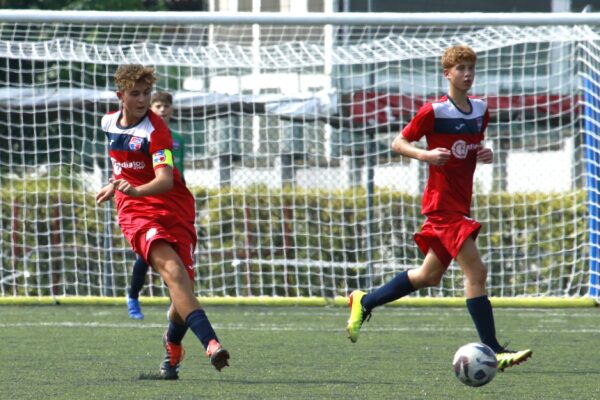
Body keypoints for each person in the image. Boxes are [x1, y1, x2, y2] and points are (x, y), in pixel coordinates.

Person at [346, 45, 532, 371]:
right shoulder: (434, 111)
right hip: (442, 207)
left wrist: (482, 153)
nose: (467, 73)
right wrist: (426, 155)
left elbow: (470, 148)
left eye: (470, 67)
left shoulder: (480, 110)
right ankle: (492, 348)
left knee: (428, 276)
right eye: (460, 68)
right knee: (477, 272)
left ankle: (365, 300)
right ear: (447, 74)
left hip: (460, 205)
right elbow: (399, 142)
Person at [96, 64, 229, 379]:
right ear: (121, 96)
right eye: (136, 94)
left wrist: (135, 187)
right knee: (173, 273)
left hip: (174, 208)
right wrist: (116, 186)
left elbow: (165, 180)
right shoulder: (108, 123)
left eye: (147, 94)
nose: (142, 100)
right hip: (136, 211)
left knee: (182, 291)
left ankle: (172, 344)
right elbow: (122, 168)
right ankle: (211, 344)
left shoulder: (157, 131)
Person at [125, 91, 186, 320]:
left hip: (174, 203)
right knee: (147, 252)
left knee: (177, 254)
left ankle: (177, 302)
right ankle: (133, 296)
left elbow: (178, 171)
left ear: (171, 109)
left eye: (165, 106)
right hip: (149, 200)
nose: (162, 109)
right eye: (158, 105)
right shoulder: (144, 134)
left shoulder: (178, 138)